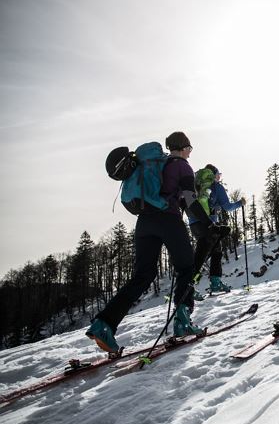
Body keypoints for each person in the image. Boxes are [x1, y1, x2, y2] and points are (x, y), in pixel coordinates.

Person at [86, 132, 222, 353]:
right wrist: (209, 225)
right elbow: (189, 199)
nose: (190, 152)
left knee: (142, 276)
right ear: (184, 147)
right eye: (189, 147)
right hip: (168, 219)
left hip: (144, 222)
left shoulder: (157, 165)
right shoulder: (182, 166)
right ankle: (182, 321)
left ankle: (104, 323)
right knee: (186, 267)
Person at [188, 164, 246, 293]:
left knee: (213, 251)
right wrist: (240, 203)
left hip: (193, 224)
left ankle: (210, 283)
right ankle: (190, 287)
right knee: (205, 254)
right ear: (214, 175)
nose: (219, 178)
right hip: (209, 224)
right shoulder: (216, 187)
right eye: (218, 175)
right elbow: (227, 207)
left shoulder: (196, 185)